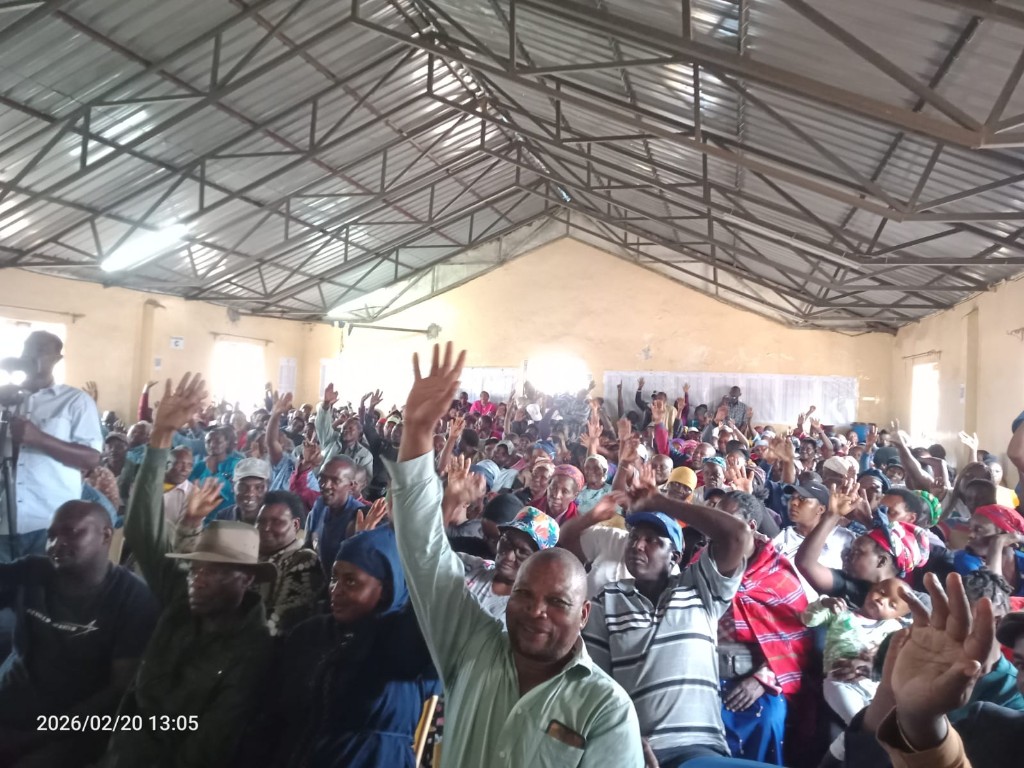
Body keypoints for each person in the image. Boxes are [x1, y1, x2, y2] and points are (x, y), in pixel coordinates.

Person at [388, 343, 644, 768]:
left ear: (584, 614)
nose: (536, 611)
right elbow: (424, 551)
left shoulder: (605, 708)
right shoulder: (471, 646)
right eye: (524, 594)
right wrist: (416, 430)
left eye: (557, 601)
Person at [101, 373, 274, 768]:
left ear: (245, 580)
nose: (198, 579)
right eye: (195, 568)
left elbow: (208, 745)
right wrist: (161, 436)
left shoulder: (252, 649)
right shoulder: (181, 597)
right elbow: (142, 529)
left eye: (214, 572)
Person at [583, 469, 754, 766]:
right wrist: (622, 740)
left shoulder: (700, 587)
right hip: (634, 749)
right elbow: (596, 683)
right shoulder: (607, 599)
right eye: (634, 537)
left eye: (652, 540)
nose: (637, 545)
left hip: (698, 749)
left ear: (674, 556)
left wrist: (660, 502)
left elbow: (737, 535)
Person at [242, 526, 439, 768]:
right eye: (335, 578)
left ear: (386, 590)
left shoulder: (402, 642)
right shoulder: (309, 633)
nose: (336, 590)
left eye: (351, 582)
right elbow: (274, 710)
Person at [0, 501, 158, 767]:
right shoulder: (33, 570)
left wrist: (37, 736)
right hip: (10, 700)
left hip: (69, 726)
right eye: (51, 536)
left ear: (105, 536)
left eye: (71, 532)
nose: (55, 544)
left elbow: (118, 689)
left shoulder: (133, 598)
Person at [716, 491, 813, 764]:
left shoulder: (776, 572)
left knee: (768, 717)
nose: (716, 525)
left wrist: (761, 680)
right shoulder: (703, 561)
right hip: (705, 666)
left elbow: (796, 641)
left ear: (750, 526)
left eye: (726, 519)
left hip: (760, 673)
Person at [6, 331, 103, 560]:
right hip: (4, 521)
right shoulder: (6, 398)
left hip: (50, 522)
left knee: (46, 581)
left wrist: (39, 439)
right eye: (27, 348)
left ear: (57, 359)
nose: (31, 354)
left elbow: (91, 458)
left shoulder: (75, 401)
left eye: (40, 349)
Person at [796, 484, 929, 608]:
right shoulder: (848, 585)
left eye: (857, 552)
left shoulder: (916, 603)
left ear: (881, 561)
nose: (846, 556)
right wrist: (833, 515)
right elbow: (806, 563)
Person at [803, 579, 909, 723]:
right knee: (858, 721)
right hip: (841, 680)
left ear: (898, 616)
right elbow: (808, 619)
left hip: (875, 687)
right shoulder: (840, 613)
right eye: (881, 592)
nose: (882, 600)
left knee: (886, 719)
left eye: (892, 605)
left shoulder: (893, 628)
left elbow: (897, 657)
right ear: (872, 588)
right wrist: (824, 603)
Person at [460, 506, 559, 623]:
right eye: (506, 542)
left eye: (523, 552)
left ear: (538, 562)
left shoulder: (530, 611)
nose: (508, 557)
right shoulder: (470, 566)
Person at [772, 480, 855, 597]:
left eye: (802, 499)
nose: (794, 502)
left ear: (820, 509)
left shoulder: (843, 538)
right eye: (792, 498)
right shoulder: (781, 537)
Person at [304, 456, 368, 580]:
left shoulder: (358, 517)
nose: (325, 485)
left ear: (351, 486)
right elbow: (308, 547)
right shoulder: (320, 505)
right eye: (322, 478)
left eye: (335, 480)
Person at [952, 504, 1024, 596]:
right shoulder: (965, 559)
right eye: (970, 529)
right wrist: (997, 542)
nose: (970, 535)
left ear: (1007, 534)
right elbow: (991, 597)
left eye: (979, 530)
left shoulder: (1021, 560)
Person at [316, 384, 374, 472]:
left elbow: (365, 478)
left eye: (350, 428)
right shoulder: (331, 440)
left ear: (359, 434)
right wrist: (326, 404)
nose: (346, 430)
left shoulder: (365, 455)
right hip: (321, 479)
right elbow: (323, 426)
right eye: (344, 428)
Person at [188, 424, 242, 513]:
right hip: (201, 514)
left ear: (227, 443)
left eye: (218, 441)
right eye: (208, 441)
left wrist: (214, 472)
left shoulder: (237, 464)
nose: (212, 444)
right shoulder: (200, 466)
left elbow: (231, 493)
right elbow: (189, 489)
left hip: (227, 514)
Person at [161, 446, 195, 528]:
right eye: (180, 464)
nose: (185, 469)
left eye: (189, 465)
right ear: (167, 465)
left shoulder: (193, 493)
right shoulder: (148, 483)